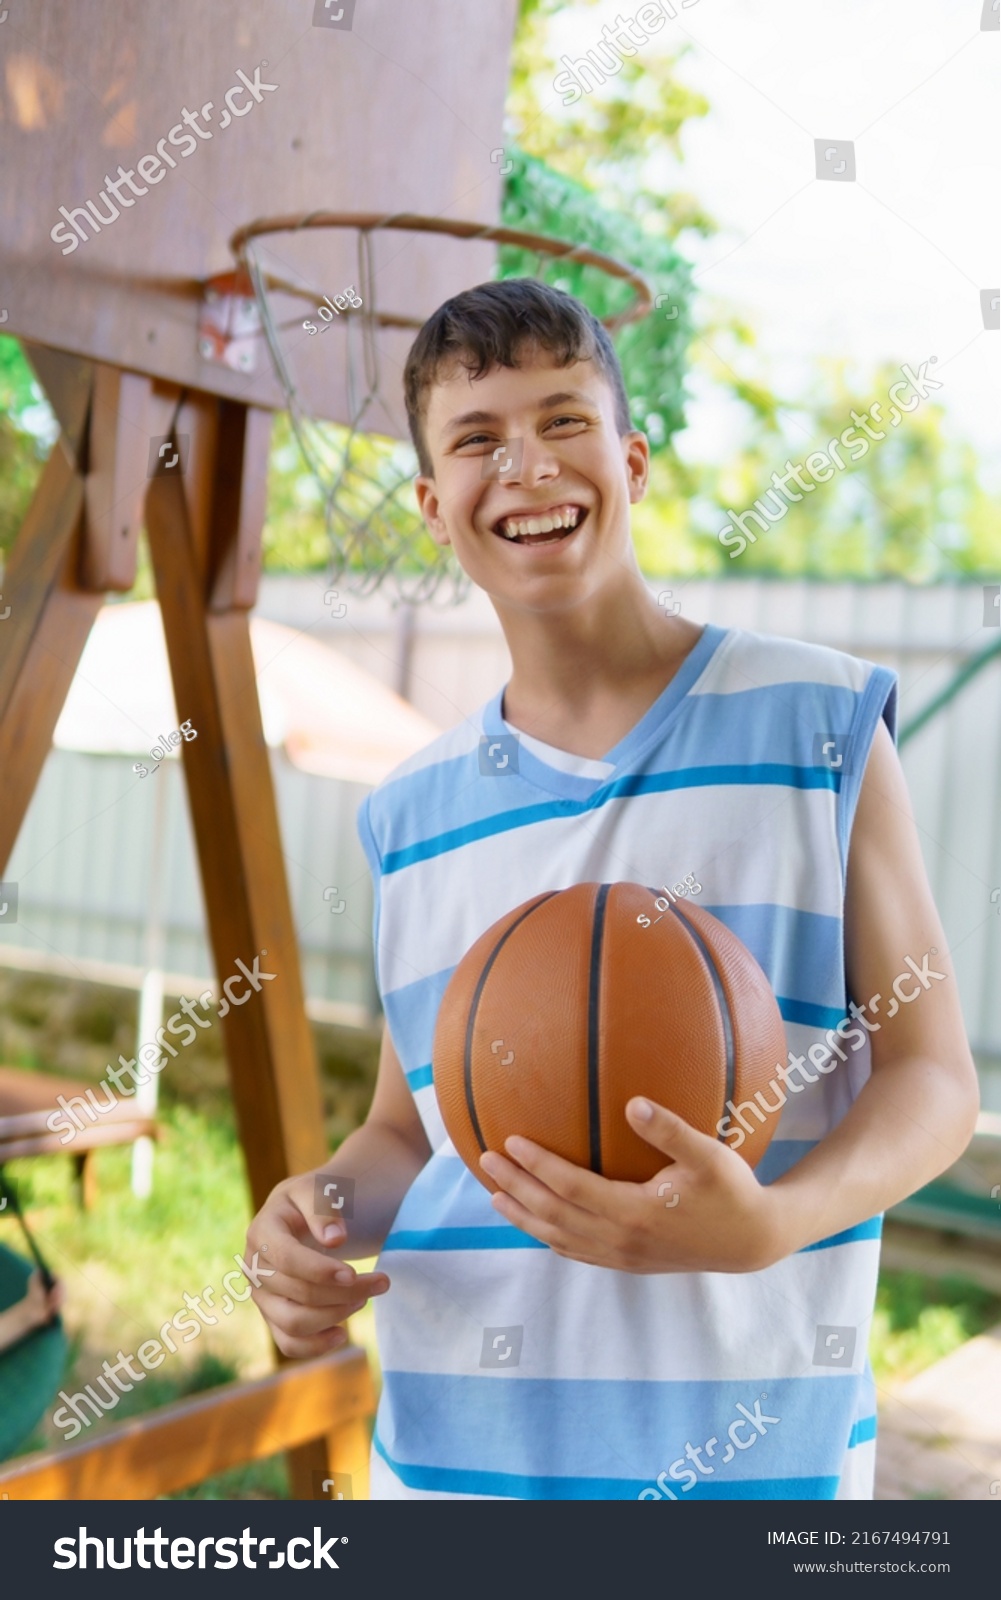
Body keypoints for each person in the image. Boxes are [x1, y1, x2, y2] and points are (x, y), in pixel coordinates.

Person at [246, 279, 980, 1500]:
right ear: (433, 506)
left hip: (753, 1474)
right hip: (450, 1473)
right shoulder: (411, 812)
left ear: (632, 462)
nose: (524, 465)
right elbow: (405, 1132)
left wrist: (774, 1221)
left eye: (562, 420)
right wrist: (315, 1208)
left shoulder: (816, 720)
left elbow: (933, 1080)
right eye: (476, 439)